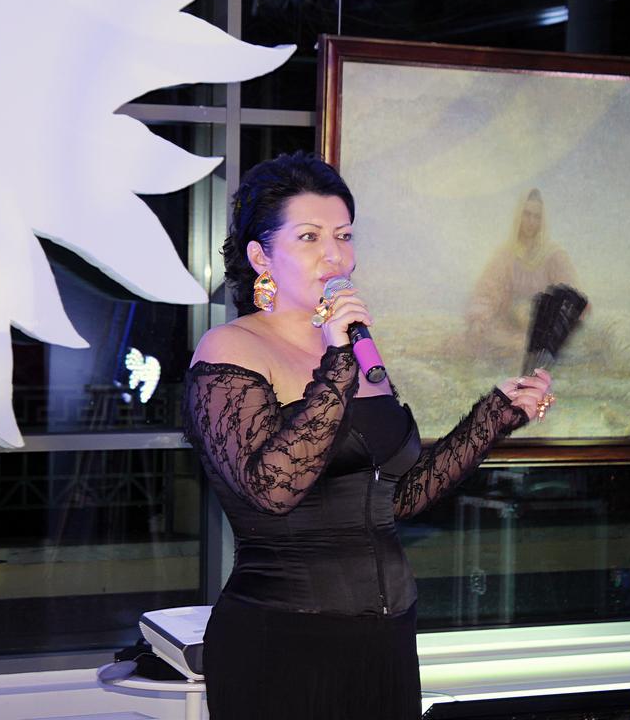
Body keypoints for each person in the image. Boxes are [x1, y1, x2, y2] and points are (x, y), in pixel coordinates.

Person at [183, 153, 555, 719]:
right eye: (309, 237)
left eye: (344, 235)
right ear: (261, 257)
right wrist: (336, 360)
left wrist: (497, 414)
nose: (335, 254)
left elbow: (398, 496)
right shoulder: (230, 348)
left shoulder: (359, 353)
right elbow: (272, 489)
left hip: (386, 640)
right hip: (284, 641)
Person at [465, 188, 579, 355]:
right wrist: (478, 319)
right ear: (519, 216)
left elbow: (569, 297)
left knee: (532, 348)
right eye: (527, 214)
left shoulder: (554, 256)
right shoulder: (505, 255)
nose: (531, 221)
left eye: (537, 217)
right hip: (506, 328)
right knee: (479, 342)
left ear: (542, 220)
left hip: (541, 329)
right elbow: (487, 291)